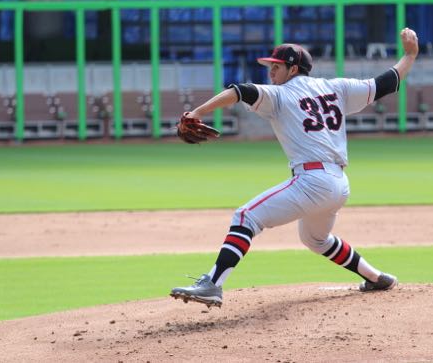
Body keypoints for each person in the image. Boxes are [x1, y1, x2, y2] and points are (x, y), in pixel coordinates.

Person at [170, 28, 419, 307]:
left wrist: (197, 112)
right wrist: (410, 55)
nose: (270, 71)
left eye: (276, 66)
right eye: (269, 66)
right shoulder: (337, 88)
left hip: (312, 181)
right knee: (316, 240)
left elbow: (240, 91)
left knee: (245, 217)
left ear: (293, 68)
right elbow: (387, 82)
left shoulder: (279, 95)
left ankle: (212, 284)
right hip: (339, 184)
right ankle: (376, 277)